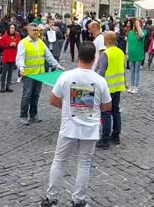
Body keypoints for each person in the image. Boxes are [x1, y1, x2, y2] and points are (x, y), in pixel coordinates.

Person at [40, 42, 111, 207]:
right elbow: (107, 106)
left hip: (68, 126)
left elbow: (53, 100)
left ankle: (51, 199)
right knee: (84, 163)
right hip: (90, 128)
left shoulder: (65, 77)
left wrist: (67, 107)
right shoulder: (99, 80)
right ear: (94, 59)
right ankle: (78, 200)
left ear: (78, 56)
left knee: (59, 161)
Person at [16, 23, 64, 125]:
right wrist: (21, 67)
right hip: (29, 74)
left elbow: (48, 56)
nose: (36, 32)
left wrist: (57, 65)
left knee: (36, 95)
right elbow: (20, 57)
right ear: (28, 31)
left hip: (40, 74)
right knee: (26, 96)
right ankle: (23, 116)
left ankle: (33, 115)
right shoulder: (23, 43)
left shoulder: (41, 42)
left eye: (37, 30)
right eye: (34, 30)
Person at [96, 32, 126, 149]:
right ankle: (116, 136)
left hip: (107, 87)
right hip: (118, 86)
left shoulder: (106, 54)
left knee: (106, 113)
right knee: (115, 111)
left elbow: (101, 71)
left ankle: (105, 140)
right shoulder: (120, 52)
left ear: (107, 40)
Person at [126, 19, 146, 94]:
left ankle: (135, 86)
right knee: (132, 71)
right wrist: (127, 53)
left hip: (138, 54)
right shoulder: (130, 32)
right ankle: (131, 85)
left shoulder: (143, 32)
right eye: (136, 23)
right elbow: (128, 43)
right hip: (131, 54)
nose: (136, 24)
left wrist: (138, 27)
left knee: (136, 71)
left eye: (138, 23)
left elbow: (141, 35)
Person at [0, 23, 20, 93]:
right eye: (11, 28)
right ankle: (2, 87)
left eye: (13, 28)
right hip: (6, 56)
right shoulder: (5, 36)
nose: (12, 29)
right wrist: (9, 45)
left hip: (13, 56)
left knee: (10, 72)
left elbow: (19, 44)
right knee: (4, 72)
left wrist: (15, 44)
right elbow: (1, 45)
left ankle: (8, 86)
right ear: (9, 29)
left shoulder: (17, 35)